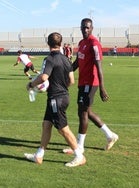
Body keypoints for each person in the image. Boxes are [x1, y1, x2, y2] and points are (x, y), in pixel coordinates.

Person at [24, 32, 86, 167]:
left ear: (48, 43)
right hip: (63, 96)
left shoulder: (50, 59)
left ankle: (79, 156)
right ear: (61, 43)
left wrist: (31, 85)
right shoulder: (66, 59)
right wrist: (61, 86)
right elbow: (71, 81)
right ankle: (39, 155)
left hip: (56, 99)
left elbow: (44, 77)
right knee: (46, 125)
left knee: (63, 129)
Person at [63, 18, 118, 155]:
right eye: (83, 27)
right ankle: (110, 135)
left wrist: (102, 88)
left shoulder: (94, 43)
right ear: (80, 28)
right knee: (87, 112)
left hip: (91, 83)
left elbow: (99, 67)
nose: (85, 30)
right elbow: (77, 62)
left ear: (92, 28)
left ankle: (80, 146)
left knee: (82, 112)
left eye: (88, 27)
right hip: (83, 82)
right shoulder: (81, 43)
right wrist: (65, 71)